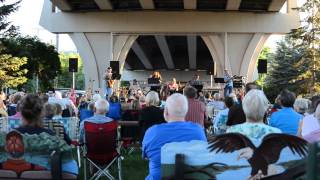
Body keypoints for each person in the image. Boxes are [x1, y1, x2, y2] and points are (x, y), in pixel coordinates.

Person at [142, 93, 207, 180]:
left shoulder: (152, 132)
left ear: (166, 111)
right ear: (186, 111)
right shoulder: (198, 131)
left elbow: (146, 156)